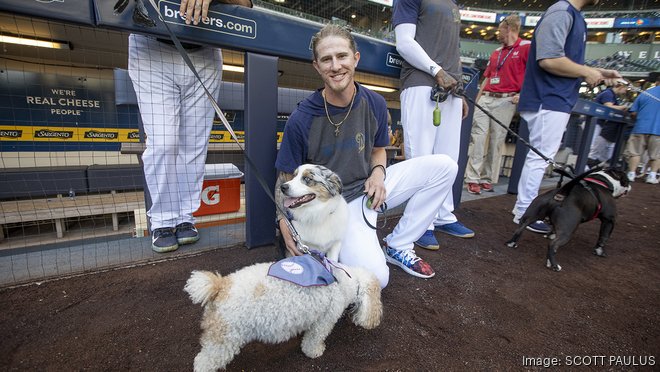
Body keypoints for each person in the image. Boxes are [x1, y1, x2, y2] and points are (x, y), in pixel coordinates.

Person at [275, 25, 459, 286]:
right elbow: (283, 177)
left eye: (342, 56)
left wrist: (378, 174)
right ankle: (363, 246)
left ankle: (398, 243)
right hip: (338, 206)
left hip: (373, 188)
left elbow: (378, 150)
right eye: (327, 59)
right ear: (317, 66)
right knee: (377, 280)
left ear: (356, 58)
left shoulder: (375, 102)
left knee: (445, 166)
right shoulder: (302, 118)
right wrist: (284, 221)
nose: (336, 66)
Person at [128, 0, 252, 253]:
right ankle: (162, 220)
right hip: (151, 43)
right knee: (164, 142)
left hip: (205, 47)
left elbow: (247, 5)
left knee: (194, 144)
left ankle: (185, 216)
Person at [512, 0, 622, 234]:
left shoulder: (573, 14)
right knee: (540, 158)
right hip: (547, 97)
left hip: (554, 98)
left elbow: (562, 61)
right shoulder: (561, 11)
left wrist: (599, 72)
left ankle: (525, 211)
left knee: (541, 157)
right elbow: (549, 59)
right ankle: (524, 212)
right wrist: (587, 71)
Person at [392, 0, 475, 251]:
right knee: (421, 158)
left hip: (451, 88)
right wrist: (436, 70)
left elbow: (453, 50)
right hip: (421, 82)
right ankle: (420, 226)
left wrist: (459, 92)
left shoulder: (451, 3)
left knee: (449, 159)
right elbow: (404, 41)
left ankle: (443, 215)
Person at [465, 15, 530, 195]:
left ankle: (487, 178)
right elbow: (486, 78)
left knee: (496, 140)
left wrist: (522, 94)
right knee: (478, 136)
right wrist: (476, 101)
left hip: (506, 99)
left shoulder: (526, 48)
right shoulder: (496, 52)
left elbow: (533, 74)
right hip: (486, 97)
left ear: (509, 29)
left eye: (500, 29)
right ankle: (472, 178)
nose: (497, 33)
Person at [624, 74, 660, 184]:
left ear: (657, 82)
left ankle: (631, 174)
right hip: (658, 131)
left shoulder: (646, 93)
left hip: (640, 127)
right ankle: (652, 176)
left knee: (635, 153)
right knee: (657, 155)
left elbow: (633, 112)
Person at [586, 82, 629, 169]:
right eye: (625, 89)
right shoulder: (608, 93)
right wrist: (624, 107)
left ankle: (589, 167)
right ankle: (583, 168)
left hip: (600, 123)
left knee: (601, 151)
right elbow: (609, 107)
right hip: (595, 122)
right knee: (592, 147)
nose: (625, 91)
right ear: (620, 86)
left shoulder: (613, 95)